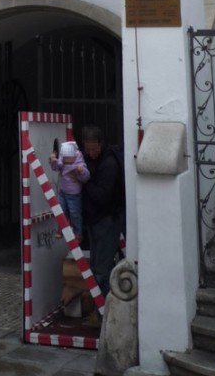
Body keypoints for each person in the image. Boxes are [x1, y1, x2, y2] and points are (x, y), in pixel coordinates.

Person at [81, 125, 125, 299]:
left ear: (101, 144)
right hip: (94, 219)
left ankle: (103, 310)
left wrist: (85, 182)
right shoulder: (87, 159)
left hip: (107, 219)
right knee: (96, 263)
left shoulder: (109, 164)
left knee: (102, 268)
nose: (90, 152)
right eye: (87, 149)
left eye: (93, 149)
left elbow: (102, 196)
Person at [49, 140, 89, 238]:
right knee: (62, 212)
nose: (65, 160)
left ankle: (77, 233)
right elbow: (55, 167)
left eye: (68, 158)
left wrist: (81, 171)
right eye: (64, 158)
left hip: (74, 195)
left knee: (74, 213)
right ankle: (61, 229)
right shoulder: (63, 162)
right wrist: (53, 161)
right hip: (63, 192)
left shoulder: (79, 164)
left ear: (74, 156)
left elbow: (86, 176)